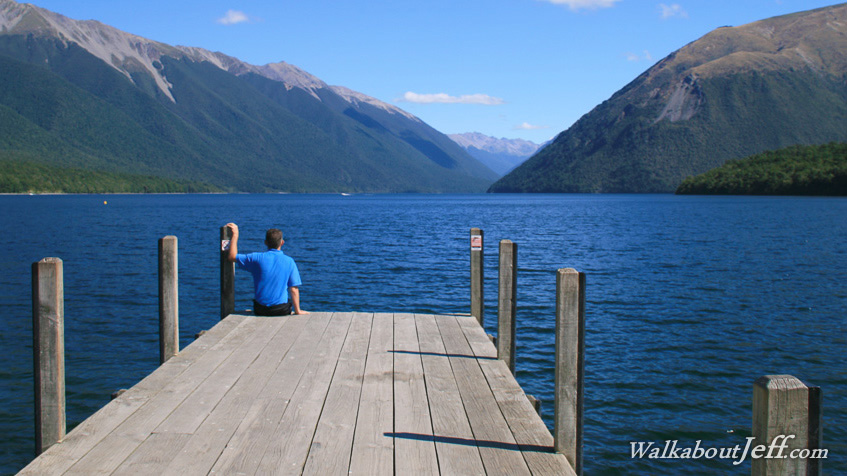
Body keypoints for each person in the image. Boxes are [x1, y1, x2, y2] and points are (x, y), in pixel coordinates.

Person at [226, 223, 308, 316]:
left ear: (266, 242)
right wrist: (298, 310)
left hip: (260, 309)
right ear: (282, 242)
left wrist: (235, 235)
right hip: (281, 310)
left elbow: (232, 256)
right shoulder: (289, 261)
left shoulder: (256, 258)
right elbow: (293, 289)